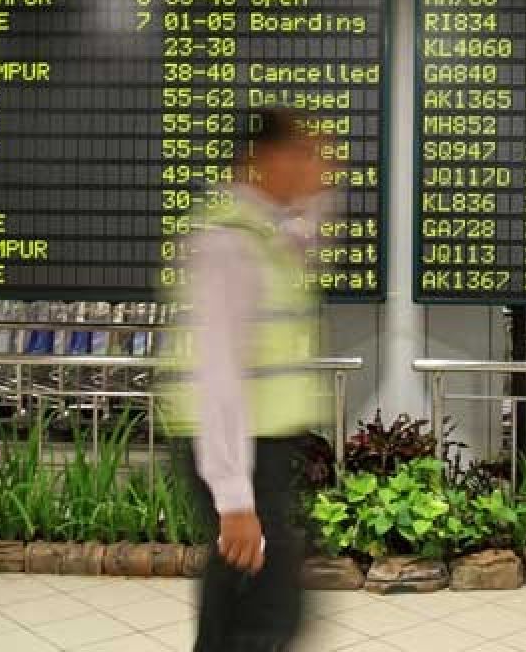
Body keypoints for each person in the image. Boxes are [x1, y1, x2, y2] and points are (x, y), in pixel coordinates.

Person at [166, 107, 333, 651]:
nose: (323, 170)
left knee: (252, 606)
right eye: (308, 154)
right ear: (267, 161)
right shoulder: (228, 244)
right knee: (262, 612)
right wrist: (234, 500)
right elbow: (217, 371)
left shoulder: (271, 234)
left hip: (266, 445)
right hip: (236, 450)